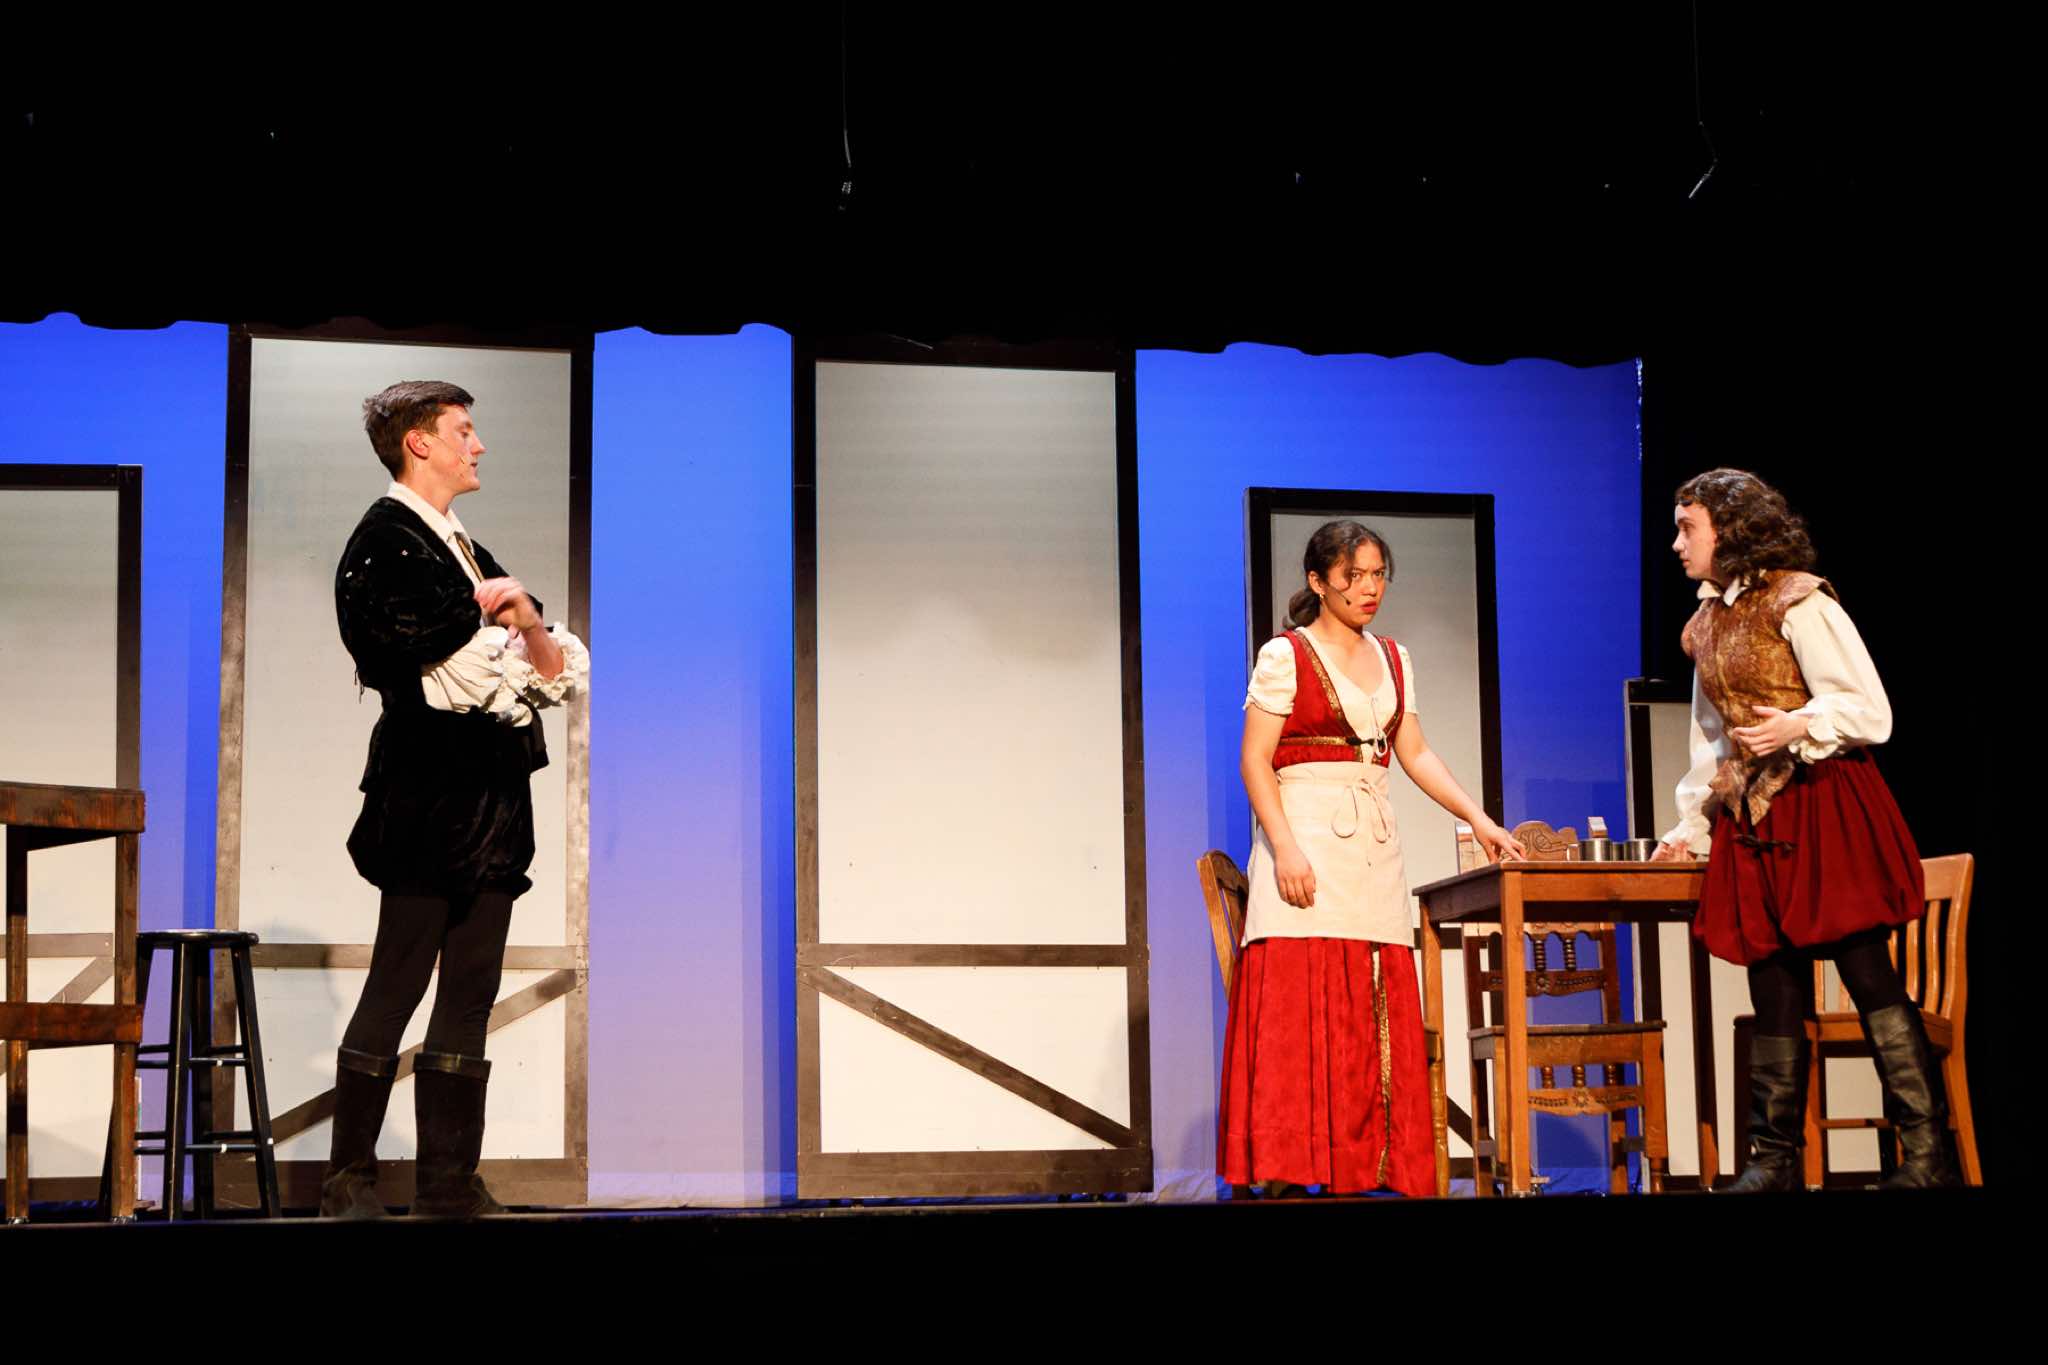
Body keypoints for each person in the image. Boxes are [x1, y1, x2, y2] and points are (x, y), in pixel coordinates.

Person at [319, 380, 590, 1218]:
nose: (478, 445)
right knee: (399, 978)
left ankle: (446, 1180)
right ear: (420, 443)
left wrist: (524, 620)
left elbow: (552, 674)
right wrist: (511, 631)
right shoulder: (386, 543)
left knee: (471, 985)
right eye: (463, 430)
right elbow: (469, 677)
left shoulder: (463, 547)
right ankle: (348, 1179)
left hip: (492, 800)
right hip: (428, 795)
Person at [1650, 468, 1956, 1190]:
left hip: (1821, 798)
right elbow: (1712, 739)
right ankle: (1774, 1158)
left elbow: (1868, 708)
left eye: (1688, 528)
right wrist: (1690, 824)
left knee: (1864, 966)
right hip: (1753, 812)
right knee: (1771, 975)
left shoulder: (1799, 599)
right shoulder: (1705, 623)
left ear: (1730, 529)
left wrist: (1798, 723)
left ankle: (1926, 1153)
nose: (1677, 544)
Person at [1218, 519, 1524, 1196]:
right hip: (1306, 833)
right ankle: (1294, 1168)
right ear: (1318, 580)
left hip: (1373, 843)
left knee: (1370, 996)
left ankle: (1364, 1164)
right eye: (1353, 575)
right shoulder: (1286, 655)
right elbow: (1254, 759)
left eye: (1378, 574)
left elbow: (1414, 752)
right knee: (1305, 1002)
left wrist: (1477, 817)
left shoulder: (1393, 657)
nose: (1369, 588)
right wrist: (1286, 848)